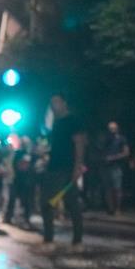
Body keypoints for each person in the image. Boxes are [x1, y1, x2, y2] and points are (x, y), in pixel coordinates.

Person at [39, 93, 87, 249]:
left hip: (65, 168)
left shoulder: (72, 121)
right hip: (54, 166)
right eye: (51, 103)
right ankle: (71, 240)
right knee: (66, 203)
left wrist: (77, 167)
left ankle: (55, 240)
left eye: (57, 102)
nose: (54, 106)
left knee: (63, 204)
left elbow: (79, 144)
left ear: (64, 103)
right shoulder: (56, 123)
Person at [4, 137, 35, 229]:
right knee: (12, 199)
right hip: (17, 180)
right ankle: (8, 217)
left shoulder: (30, 154)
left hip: (27, 182)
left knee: (26, 201)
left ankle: (26, 219)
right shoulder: (18, 153)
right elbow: (16, 166)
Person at [102, 122, 130, 216]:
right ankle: (110, 208)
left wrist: (113, 158)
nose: (111, 130)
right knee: (107, 189)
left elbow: (126, 153)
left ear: (117, 129)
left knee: (117, 188)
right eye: (110, 128)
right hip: (106, 167)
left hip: (116, 167)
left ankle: (118, 208)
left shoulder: (122, 139)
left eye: (113, 128)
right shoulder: (105, 140)